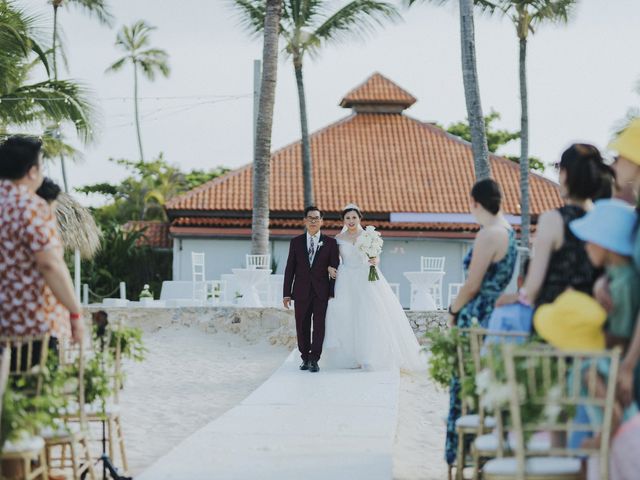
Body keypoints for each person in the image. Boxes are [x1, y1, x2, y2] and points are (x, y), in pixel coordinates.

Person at [445, 178, 518, 466]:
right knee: (485, 382)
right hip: (494, 314)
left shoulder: (489, 234)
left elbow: (472, 284)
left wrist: (452, 310)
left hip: (475, 314)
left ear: (475, 202)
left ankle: (464, 456)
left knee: (465, 383)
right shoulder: (509, 231)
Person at [497, 144, 613, 311]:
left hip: (554, 319)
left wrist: (511, 298)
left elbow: (532, 288)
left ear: (565, 173)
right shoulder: (604, 220)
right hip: (593, 320)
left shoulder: (553, 220)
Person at [0, 135, 83, 346]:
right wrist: (75, 313)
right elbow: (49, 264)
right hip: (30, 325)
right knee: (32, 379)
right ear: (32, 171)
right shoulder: (32, 206)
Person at [322, 204, 425, 371]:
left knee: (369, 313)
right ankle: (350, 357)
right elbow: (333, 260)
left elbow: (376, 257)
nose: (351, 221)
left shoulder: (369, 235)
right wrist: (329, 268)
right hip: (346, 278)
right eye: (347, 218)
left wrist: (374, 261)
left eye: (354, 217)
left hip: (365, 276)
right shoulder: (338, 238)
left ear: (360, 218)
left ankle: (368, 356)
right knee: (345, 314)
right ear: (343, 220)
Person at [283, 206, 340, 373]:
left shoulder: (330, 243)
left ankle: (315, 359)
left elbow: (334, 268)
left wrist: (331, 291)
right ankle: (305, 358)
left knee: (319, 326)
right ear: (305, 221)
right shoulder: (296, 242)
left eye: (316, 218)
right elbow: (289, 269)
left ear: (322, 221)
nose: (313, 221)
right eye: (310, 218)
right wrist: (287, 293)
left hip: (321, 292)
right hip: (300, 291)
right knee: (302, 325)